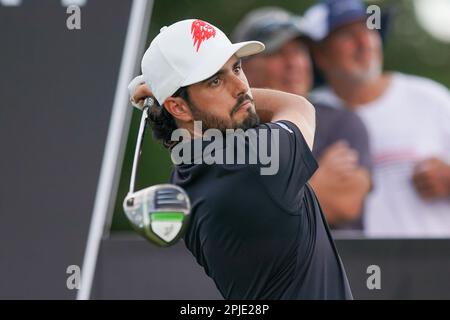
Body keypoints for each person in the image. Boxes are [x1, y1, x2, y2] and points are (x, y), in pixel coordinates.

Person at [128, 18, 352, 299]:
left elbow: (193, 126)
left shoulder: (183, 176)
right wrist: (161, 94)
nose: (241, 86)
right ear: (178, 107)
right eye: (215, 81)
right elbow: (298, 106)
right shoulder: (258, 164)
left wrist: (164, 97)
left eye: (237, 68)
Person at [303, 0, 450, 237]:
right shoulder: (305, 114)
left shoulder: (432, 100)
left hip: (433, 267)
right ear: (320, 55)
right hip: (351, 269)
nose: (364, 43)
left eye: (370, 29)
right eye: (348, 35)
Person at [232, 7, 372, 231]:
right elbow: (228, 222)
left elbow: (345, 203)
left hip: (341, 264)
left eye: (298, 50)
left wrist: (265, 205)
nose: (293, 62)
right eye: (277, 52)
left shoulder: (342, 122)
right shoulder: (224, 130)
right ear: (241, 67)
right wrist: (317, 186)